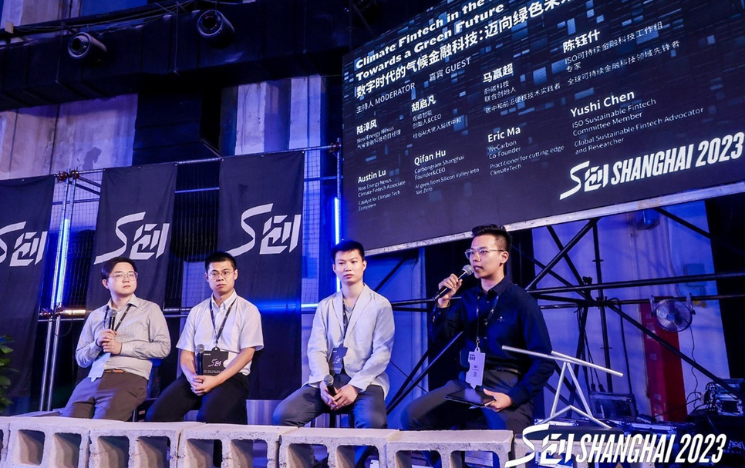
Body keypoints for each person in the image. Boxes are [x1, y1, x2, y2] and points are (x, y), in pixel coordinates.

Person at [401, 224, 553, 435]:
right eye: (471, 252)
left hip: (505, 384)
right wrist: (443, 303)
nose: (475, 258)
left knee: (507, 442)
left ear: (503, 257)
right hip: (469, 383)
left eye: (483, 252)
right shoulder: (469, 298)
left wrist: (512, 397)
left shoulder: (520, 300)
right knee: (411, 417)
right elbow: (440, 337)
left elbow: (544, 361)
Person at [273, 239, 395, 431]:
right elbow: (316, 349)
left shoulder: (380, 305)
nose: (348, 267)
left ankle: (355, 462)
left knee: (373, 423)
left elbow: (382, 354)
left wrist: (355, 387)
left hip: (365, 381)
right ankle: (309, 461)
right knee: (283, 415)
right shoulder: (325, 306)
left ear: (363, 264)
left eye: (353, 262)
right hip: (328, 380)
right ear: (334, 268)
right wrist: (322, 382)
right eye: (341, 263)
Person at [146, 251, 263, 424]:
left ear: (235, 274)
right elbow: (186, 354)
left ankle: (216, 452)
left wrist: (216, 380)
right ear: (206, 277)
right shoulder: (197, 311)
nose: (220, 278)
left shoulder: (248, 310)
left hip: (231, 377)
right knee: (156, 415)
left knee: (209, 417)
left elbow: (247, 353)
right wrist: (191, 376)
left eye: (225, 272)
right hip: (197, 375)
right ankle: (180, 451)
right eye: (214, 273)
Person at [61, 256, 171, 421]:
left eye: (131, 274)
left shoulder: (150, 309)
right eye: (119, 275)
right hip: (92, 379)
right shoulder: (96, 315)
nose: (126, 278)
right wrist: (96, 344)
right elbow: (81, 359)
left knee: (102, 431)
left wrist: (122, 348)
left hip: (128, 378)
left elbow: (163, 348)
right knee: (66, 429)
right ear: (106, 283)